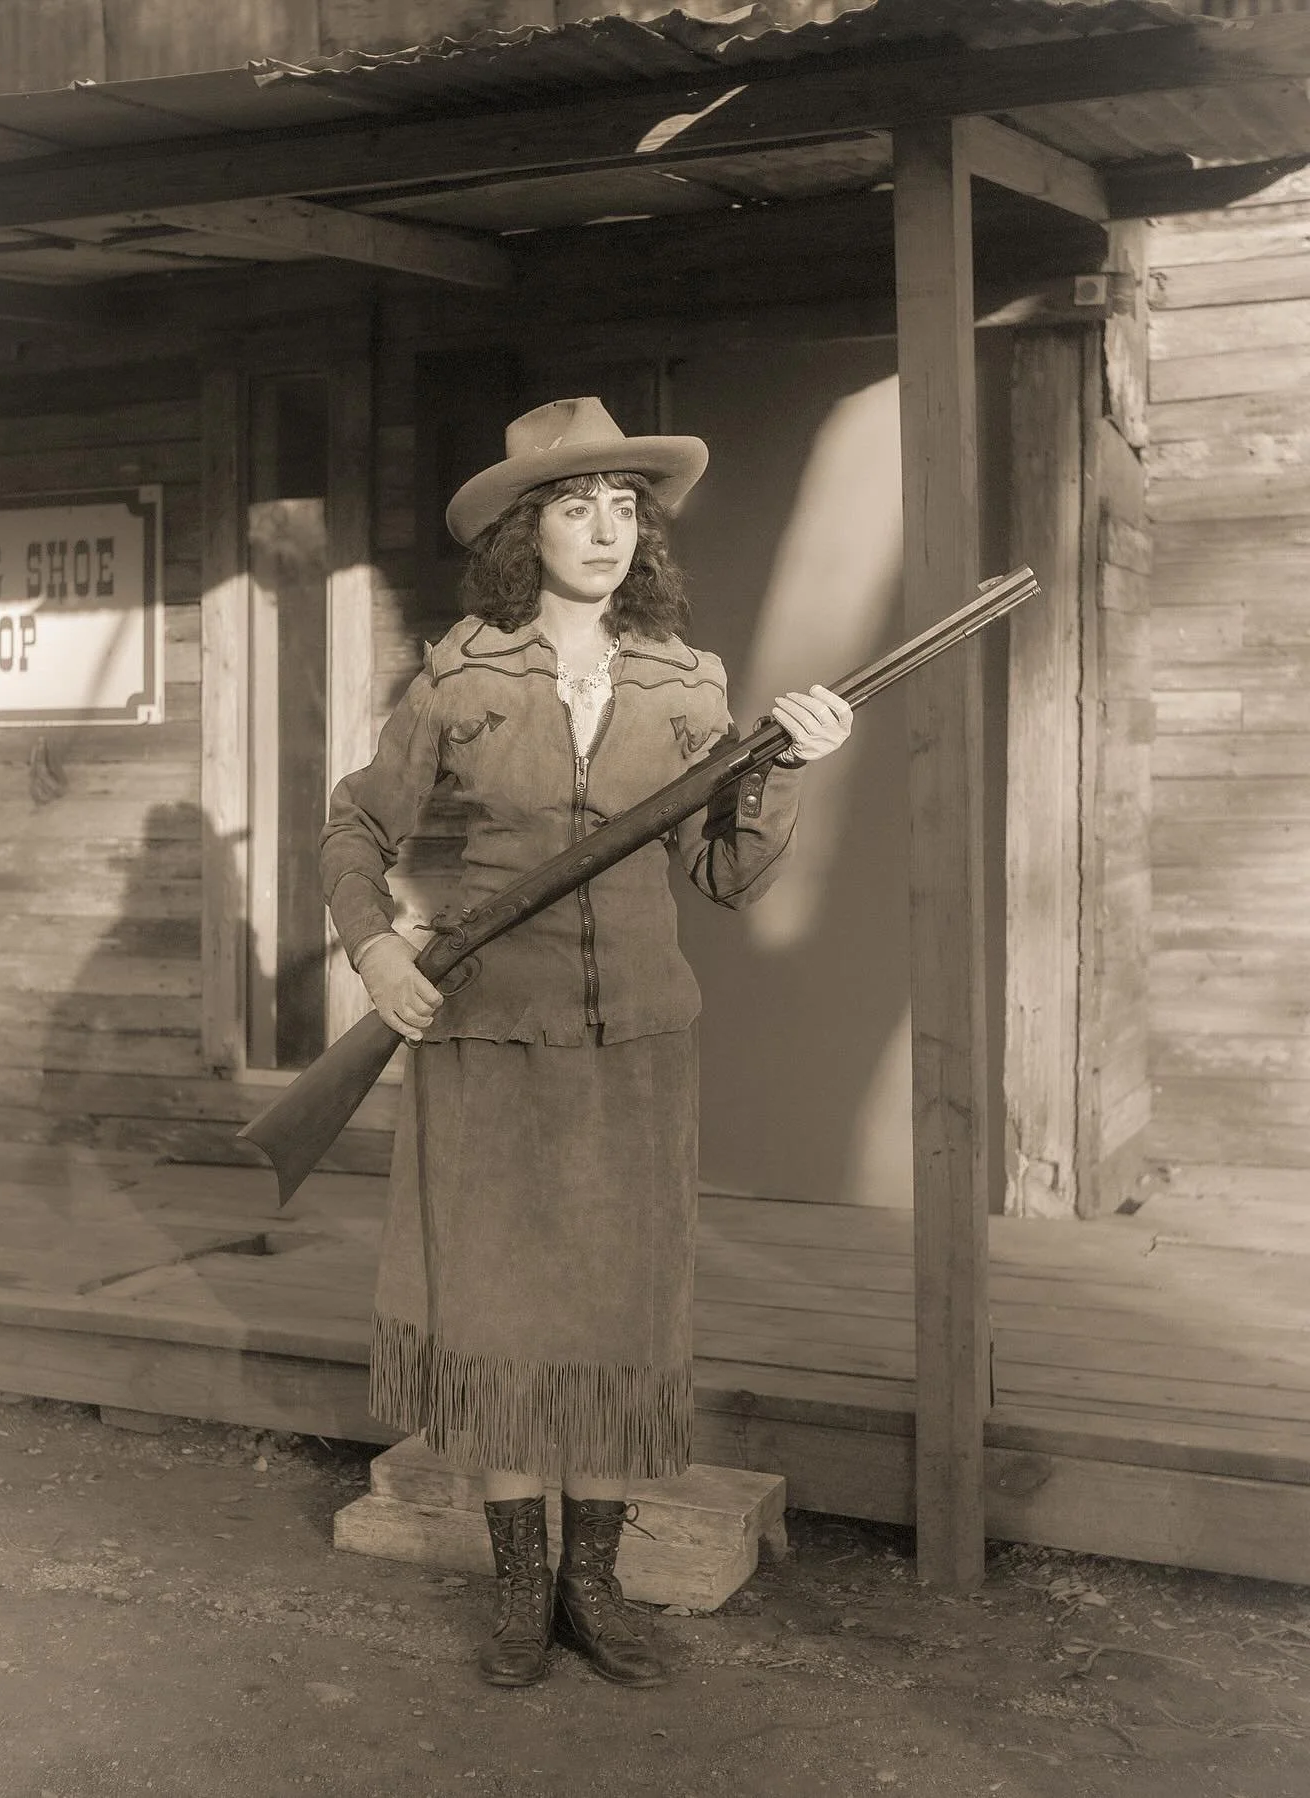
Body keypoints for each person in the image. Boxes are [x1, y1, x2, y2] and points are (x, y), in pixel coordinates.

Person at [320, 397, 851, 1691]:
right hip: (488, 1037)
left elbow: (724, 875)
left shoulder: (689, 683)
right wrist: (378, 947)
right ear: (526, 525)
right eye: (576, 504)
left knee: (617, 1320)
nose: (606, 528)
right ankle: (517, 1592)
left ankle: (591, 1588)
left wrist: (786, 767)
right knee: (500, 1317)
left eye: (625, 505)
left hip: (638, 1051)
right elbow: (354, 827)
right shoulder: (458, 677)